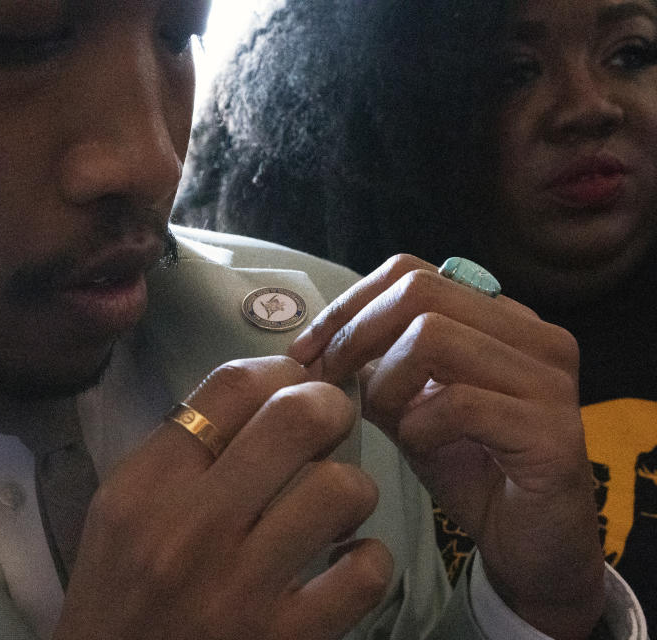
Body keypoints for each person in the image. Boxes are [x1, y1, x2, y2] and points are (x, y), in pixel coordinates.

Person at [0, 1, 642, 638]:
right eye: (18, 38)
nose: (151, 160)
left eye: (177, 33)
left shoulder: (321, 328)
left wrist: (539, 608)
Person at [176, 0, 657, 632]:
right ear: (393, 112)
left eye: (630, 53)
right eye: (513, 73)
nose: (588, 106)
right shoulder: (335, 399)